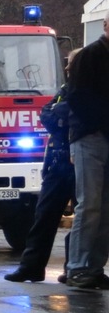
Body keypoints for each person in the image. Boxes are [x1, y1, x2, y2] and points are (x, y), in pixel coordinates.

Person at [5, 51, 78, 283]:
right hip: (57, 164)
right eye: (66, 65)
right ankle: (31, 268)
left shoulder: (90, 90)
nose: (67, 70)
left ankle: (73, 268)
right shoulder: (66, 91)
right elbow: (47, 114)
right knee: (43, 217)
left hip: (81, 162)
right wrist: (61, 116)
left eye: (71, 65)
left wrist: (61, 116)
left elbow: (71, 115)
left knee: (84, 219)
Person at [65, 20, 109, 290]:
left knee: (106, 207)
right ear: (106, 25)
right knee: (89, 204)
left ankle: (94, 267)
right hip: (90, 137)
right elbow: (77, 98)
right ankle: (77, 268)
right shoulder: (89, 56)